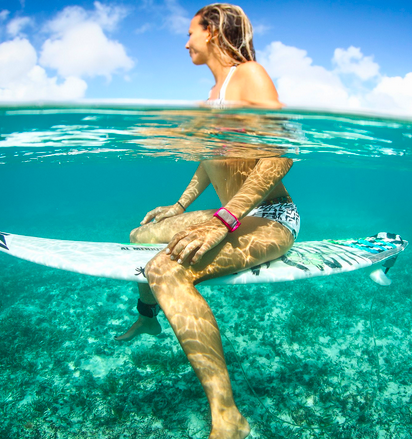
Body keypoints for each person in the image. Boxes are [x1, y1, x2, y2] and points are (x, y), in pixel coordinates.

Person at [116, 4, 300, 439]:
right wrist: (180, 207)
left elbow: (284, 150)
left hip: (269, 216)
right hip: (227, 215)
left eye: (191, 32)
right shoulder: (209, 99)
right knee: (140, 236)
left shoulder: (250, 75)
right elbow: (209, 162)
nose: (185, 43)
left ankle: (227, 414)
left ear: (212, 31)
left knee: (165, 268)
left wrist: (227, 218)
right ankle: (148, 315)